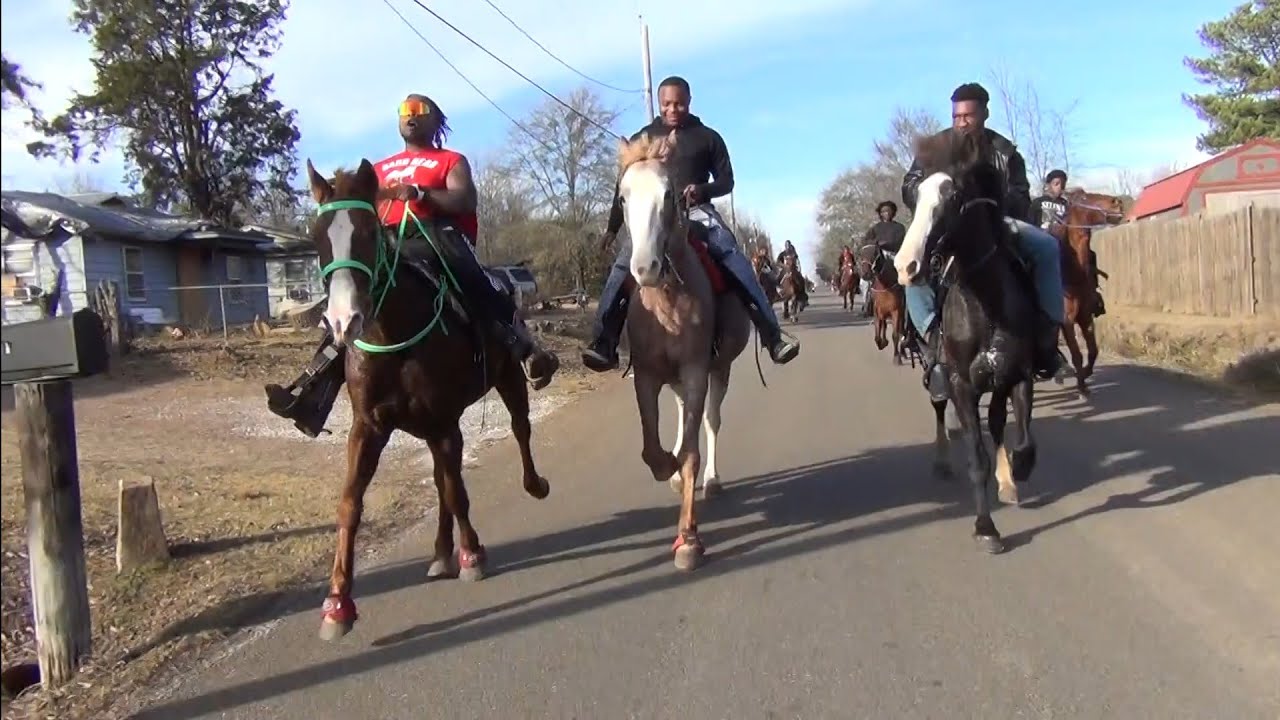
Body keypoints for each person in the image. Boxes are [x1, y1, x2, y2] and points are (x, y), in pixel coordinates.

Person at [265, 93, 560, 437]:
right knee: (348, 300)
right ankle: (312, 393)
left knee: (472, 279)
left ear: (436, 121)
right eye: (404, 111)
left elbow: (465, 198)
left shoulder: (450, 161)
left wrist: (420, 194)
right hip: (388, 241)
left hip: (439, 237)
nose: (411, 115)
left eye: (420, 110)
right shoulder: (379, 169)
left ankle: (522, 347)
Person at [581, 76, 800, 371]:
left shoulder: (707, 137)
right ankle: (604, 341)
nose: (673, 109)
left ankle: (772, 335)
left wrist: (702, 189)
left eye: (679, 103)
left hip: (697, 213)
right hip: (653, 217)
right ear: (660, 104)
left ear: (689, 101)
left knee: (734, 258)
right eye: (667, 104)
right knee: (623, 266)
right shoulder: (642, 138)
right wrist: (612, 227)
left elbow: (727, 181)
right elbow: (625, 191)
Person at [901, 82, 1066, 400]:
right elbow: (910, 184)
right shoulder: (936, 148)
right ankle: (935, 348)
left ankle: (1047, 341)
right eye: (956, 116)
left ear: (984, 114)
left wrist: (992, 206)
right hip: (944, 223)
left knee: (1047, 247)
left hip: (994, 222)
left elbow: (1020, 192)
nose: (962, 122)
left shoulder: (1005, 151)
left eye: (969, 115)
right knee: (911, 270)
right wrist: (928, 196)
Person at [860, 200, 907, 315]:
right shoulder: (875, 228)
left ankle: (905, 307)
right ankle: (867, 304)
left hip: (894, 255)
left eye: (888, 211)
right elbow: (867, 241)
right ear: (880, 213)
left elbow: (900, 242)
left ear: (893, 213)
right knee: (864, 281)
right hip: (877, 255)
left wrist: (885, 244)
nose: (886, 213)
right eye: (883, 211)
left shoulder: (899, 228)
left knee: (906, 279)